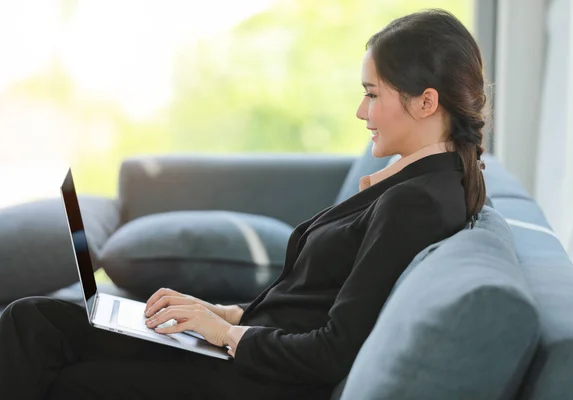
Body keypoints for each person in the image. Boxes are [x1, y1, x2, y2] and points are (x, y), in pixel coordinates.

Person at [0, 9, 487, 400]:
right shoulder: (417, 184)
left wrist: (224, 334)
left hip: (260, 378)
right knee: (37, 319)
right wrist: (223, 313)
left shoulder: (418, 204)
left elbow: (333, 350)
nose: (361, 111)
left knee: (65, 372)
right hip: (248, 349)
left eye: (372, 94)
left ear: (426, 103)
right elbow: (311, 303)